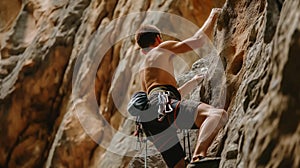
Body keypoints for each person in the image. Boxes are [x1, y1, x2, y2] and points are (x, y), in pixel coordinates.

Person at [135, 8, 228, 168]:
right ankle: (199, 157)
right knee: (216, 115)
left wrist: (194, 81)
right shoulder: (161, 48)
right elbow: (197, 41)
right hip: (163, 105)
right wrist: (212, 16)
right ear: (158, 38)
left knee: (179, 166)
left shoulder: (144, 71)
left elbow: (162, 97)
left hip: (150, 120)